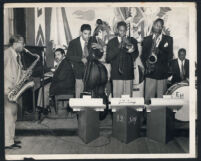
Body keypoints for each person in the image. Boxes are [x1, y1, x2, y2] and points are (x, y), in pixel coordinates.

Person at [141, 18, 173, 104]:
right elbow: (143, 56)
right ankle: (147, 116)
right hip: (150, 73)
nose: (157, 27)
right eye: (156, 25)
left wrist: (160, 52)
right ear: (153, 25)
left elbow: (170, 56)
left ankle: (160, 117)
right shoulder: (146, 39)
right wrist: (147, 65)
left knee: (161, 99)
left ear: (162, 27)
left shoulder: (168, 39)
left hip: (162, 73)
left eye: (159, 26)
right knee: (148, 99)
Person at [106, 21, 139, 98]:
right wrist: (118, 47)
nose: (122, 33)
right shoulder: (112, 42)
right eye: (120, 30)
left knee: (128, 99)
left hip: (128, 74)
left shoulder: (132, 40)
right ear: (117, 30)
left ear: (126, 30)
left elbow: (136, 55)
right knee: (117, 100)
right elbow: (108, 58)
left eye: (124, 31)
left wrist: (131, 50)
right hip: (116, 74)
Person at [4, 35, 25, 149]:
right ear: (16, 43)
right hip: (6, 90)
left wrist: (24, 74)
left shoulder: (17, 56)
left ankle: (11, 139)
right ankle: (6, 142)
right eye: (22, 43)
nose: (23, 45)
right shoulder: (6, 54)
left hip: (14, 91)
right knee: (8, 116)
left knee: (13, 116)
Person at [67, 24, 92, 98]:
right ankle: (77, 108)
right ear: (81, 33)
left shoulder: (91, 42)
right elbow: (69, 56)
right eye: (85, 33)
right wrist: (80, 59)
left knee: (89, 94)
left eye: (89, 34)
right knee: (78, 91)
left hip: (90, 72)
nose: (87, 36)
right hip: (78, 72)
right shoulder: (73, 43)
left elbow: (94, 55)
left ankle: (87, 108)